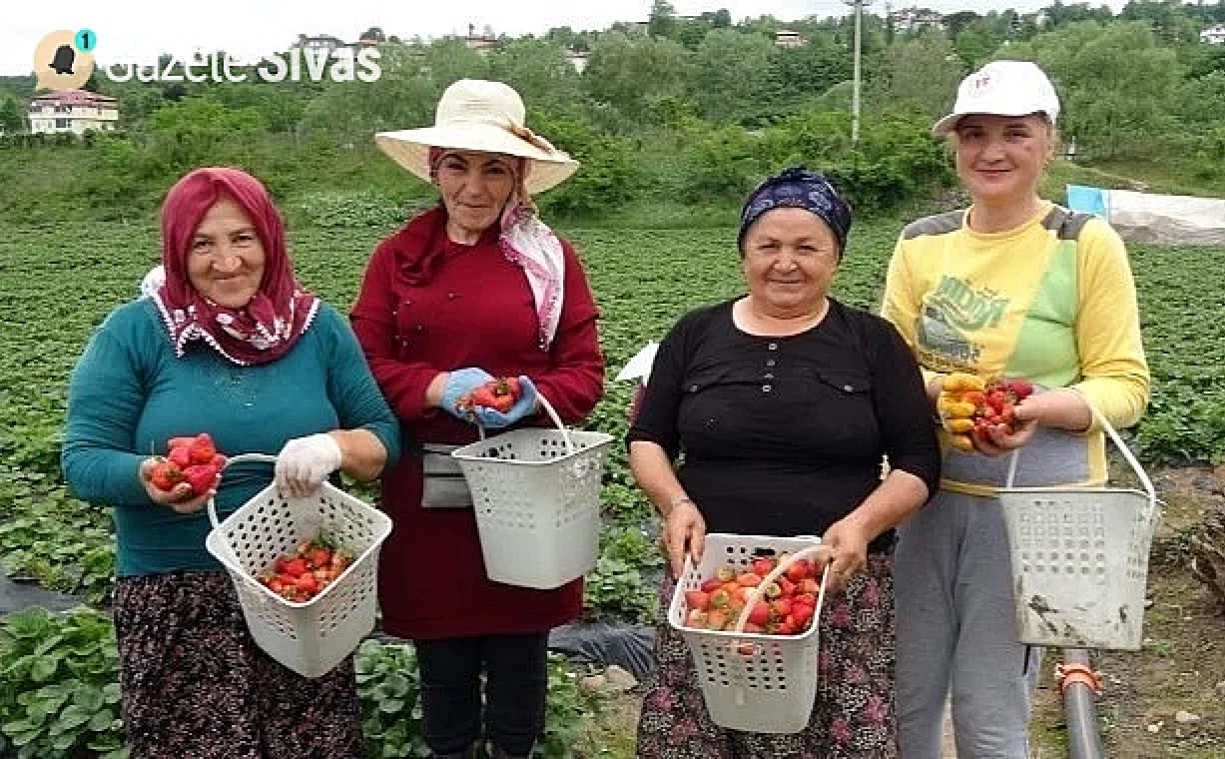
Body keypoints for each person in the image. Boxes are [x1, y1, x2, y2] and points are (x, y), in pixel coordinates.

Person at [61, 167, 400, 758]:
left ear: (270, 239)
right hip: (177, 593)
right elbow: (83, 461)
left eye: (243, 238)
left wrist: (335, 447)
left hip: (300, 592)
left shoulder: (318, 331)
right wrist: (149, 478)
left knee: (310, 744)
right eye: (202, 243)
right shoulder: (135, 334)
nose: (227, 262)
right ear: (176, 249)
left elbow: (383, 439)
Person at [880, 60, 1151, 758]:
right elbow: (889, 370)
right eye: (973, 134)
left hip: (1037, 513)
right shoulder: (920, 242)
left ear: (1048, 142)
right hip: (924, 501)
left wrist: (1042, 405)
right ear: (954, 143)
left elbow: (1125, 385)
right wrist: (946, 393)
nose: (991, 151)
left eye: (1014, 133)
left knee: (990, 707)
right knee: (902, 699)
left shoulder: (1083, 243)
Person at [627, 166, 942, 757]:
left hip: (835, 585)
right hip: (710, 587)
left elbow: (918, 461)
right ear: (744, 251)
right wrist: (676, 504)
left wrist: (863, 525)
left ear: (837, 256)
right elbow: (647, 437)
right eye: (768, 245)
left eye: (807, 246)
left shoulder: (872, 342)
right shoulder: (695, 334)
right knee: (700, 728)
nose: (785, 262)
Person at [350, 79, 605, 759]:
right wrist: (436, 385)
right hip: (428, 498)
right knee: (444, 666)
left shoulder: (548, 263)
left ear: (519, 176)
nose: (474, 186)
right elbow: (362, 365)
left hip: (525, 493)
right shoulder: (397, 258)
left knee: (521, 659)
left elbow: (585, 373)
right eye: (458, 165)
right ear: (435, 168)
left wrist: (531, 392)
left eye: (495, 168)